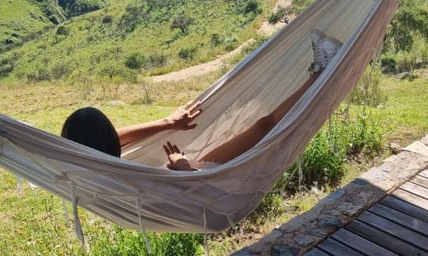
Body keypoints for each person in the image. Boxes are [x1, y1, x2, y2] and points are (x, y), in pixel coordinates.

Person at [164, 30, 342, 170]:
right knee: (268, 130)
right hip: (195, 183)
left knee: (264, 125)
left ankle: (320, 75)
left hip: (190, 176)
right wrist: (184, 168)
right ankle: (325, 75)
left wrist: (168, 123)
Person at [61, 102, 202, 157]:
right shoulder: (124, 176)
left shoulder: (71, 159)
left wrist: (168, 122)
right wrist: (184, 167)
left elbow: (112, 138)